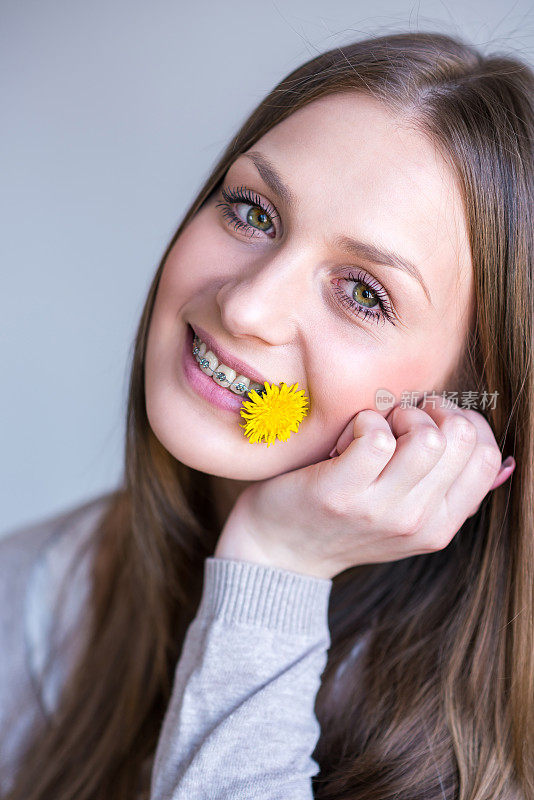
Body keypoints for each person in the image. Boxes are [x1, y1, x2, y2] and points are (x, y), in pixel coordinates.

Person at [0, 28, 532, 800]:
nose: (247, 305)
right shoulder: (32, 593)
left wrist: (275, 566)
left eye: (362, 293)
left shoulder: (494, 760)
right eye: (252, 211)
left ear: (463, 411)